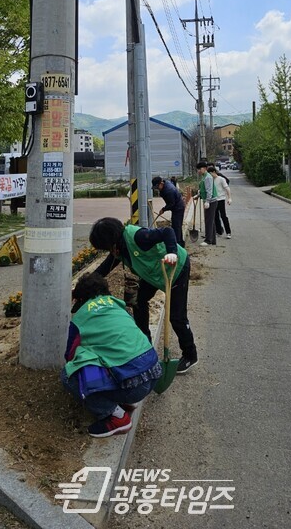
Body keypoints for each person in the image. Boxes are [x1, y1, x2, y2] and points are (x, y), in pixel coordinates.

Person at [90, 217, 198, 374]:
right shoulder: (119, 248)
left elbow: (168, 232)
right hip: (155, 273)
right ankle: (145, 341)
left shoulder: (137, 237)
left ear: (111, 240)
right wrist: (82, 286)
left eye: (106, 247)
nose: (108, 251)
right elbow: (103, 270)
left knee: (176, 317)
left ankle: (190, 354)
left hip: (176, 269)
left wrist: (172, 253)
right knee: (138, 301)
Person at [61, 272, 162, 438]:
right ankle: (120, 401)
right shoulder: (117, 306)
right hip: (153, 372)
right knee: (111, 356)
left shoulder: (81, 317)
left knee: (69, 375)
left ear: (79, 299)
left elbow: (70, 356)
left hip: (133, 385)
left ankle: (116, 417)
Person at [152, 175, 186, 246]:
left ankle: (178, 244)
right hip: (176, 206)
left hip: (178, 208)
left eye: (157, 187)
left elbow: (171, 204)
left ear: (161, 183)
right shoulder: (166, 184)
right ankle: (180, 242)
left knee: (176, 226)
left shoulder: (169, 191)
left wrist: (163, 209)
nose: (157, 189)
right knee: (177, 225)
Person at [196, 161, 217, 246]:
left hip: (211, 201)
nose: (198, 171)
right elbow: (203, 188)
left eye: (199, 169)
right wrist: (199, 194)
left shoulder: (208, 177)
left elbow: (209, 190)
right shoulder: (204, 176)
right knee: (211, 221)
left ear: (204, 168)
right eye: (198, 169)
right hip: (208, 200)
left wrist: (207, 201)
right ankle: (212, 240)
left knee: (208, 221)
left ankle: (208, 240)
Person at [208, 165, 232, 239]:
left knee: (223, 216)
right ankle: (218, 231)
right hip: (214, 200)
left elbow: (227, 188)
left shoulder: (221, 179)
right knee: (215, 216)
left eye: (210, 173)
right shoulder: (210, 180)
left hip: (221, 199)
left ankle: (228, 232)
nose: (210, 175)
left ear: (214, 172)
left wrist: (229, 198)